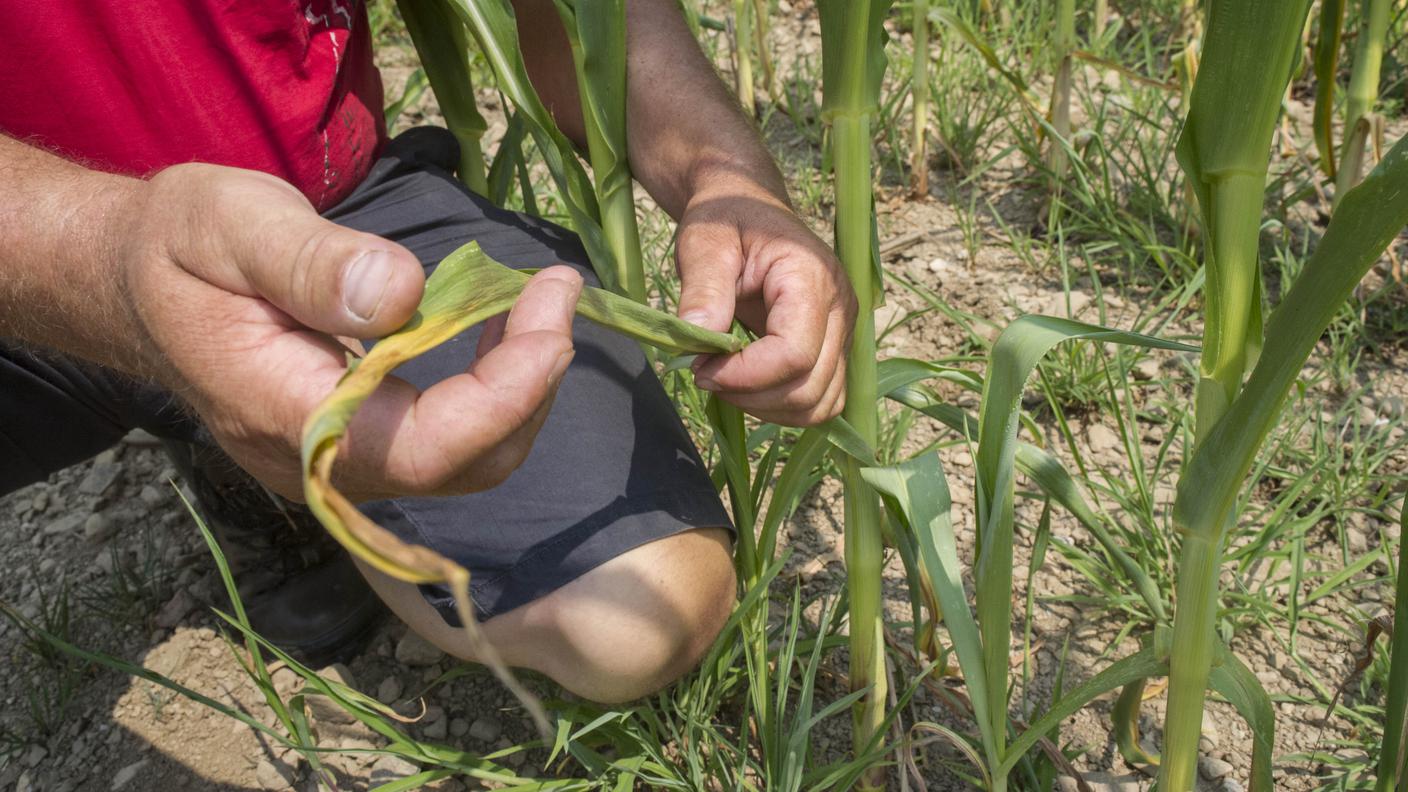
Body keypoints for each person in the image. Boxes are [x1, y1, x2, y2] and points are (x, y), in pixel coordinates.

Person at [0, 0, 855, 703]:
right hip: (26, 246)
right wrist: (109, 258)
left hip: (326, 210)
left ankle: (259, 455)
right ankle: (230, 429)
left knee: (645, 610)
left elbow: (586, 21)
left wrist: (726, 177)